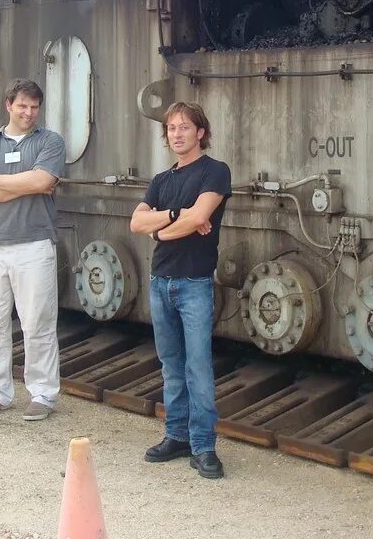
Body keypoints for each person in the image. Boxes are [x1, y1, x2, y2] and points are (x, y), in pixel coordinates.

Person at [130, 101, 232, 480]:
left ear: (200, 132)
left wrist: (168, 225)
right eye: (172, 128)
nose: (177, 133)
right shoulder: (161, 181)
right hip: (161, 281)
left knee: (198, 368)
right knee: (171, 366)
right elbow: (136, 223)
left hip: (194, 282)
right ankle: (176, 436)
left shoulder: (215, 172)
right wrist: (175, 218)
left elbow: (201, 216)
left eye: (185, 127)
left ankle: (204, 446)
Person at [0, 78, 66, 421]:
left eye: (35, 107)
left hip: (35, 243)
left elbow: (43, 181)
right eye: (22, 105)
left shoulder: (50, 141)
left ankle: (43, 393)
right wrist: (27, 185)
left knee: (37, 320)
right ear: (8, 105)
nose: (29, 112)